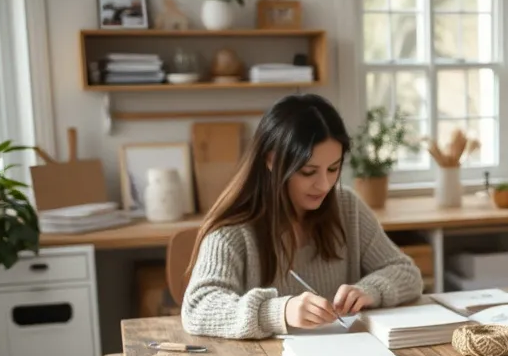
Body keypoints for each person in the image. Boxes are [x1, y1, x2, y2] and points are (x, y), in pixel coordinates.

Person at [181, 94, 423, 339]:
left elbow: (406, 272)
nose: (325, 184)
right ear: (272, 160)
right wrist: (280, 311)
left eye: (333, 168)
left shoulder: (347, 207)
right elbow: (198, 307)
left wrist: (371, 290)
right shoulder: (234, 228)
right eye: (308, 171)